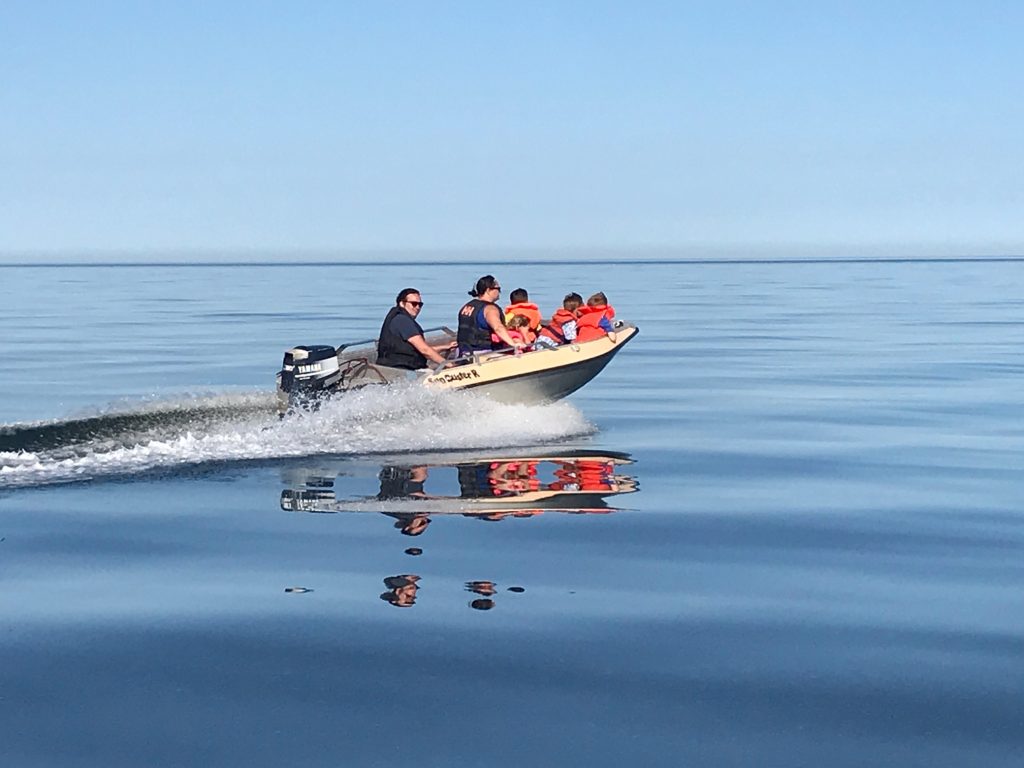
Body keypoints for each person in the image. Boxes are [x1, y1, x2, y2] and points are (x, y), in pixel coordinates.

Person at [376, 288, 453, 370]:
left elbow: (416, 351)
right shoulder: (402, 320)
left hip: (398, 366)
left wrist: (446, 347)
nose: (417, 307)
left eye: (420, 304)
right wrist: (449, 364)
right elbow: (424, 350)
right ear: (402, 303)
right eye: (414, 304)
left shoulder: (399, 318)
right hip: (402, 369)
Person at [456, 275, 524, 355]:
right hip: (482, 352)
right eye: (498, 289)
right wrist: (513, 344)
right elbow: (498, 328)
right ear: (488, 290)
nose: (500, 292)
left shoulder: (467, 306)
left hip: (462, 351)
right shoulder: (490, 309)